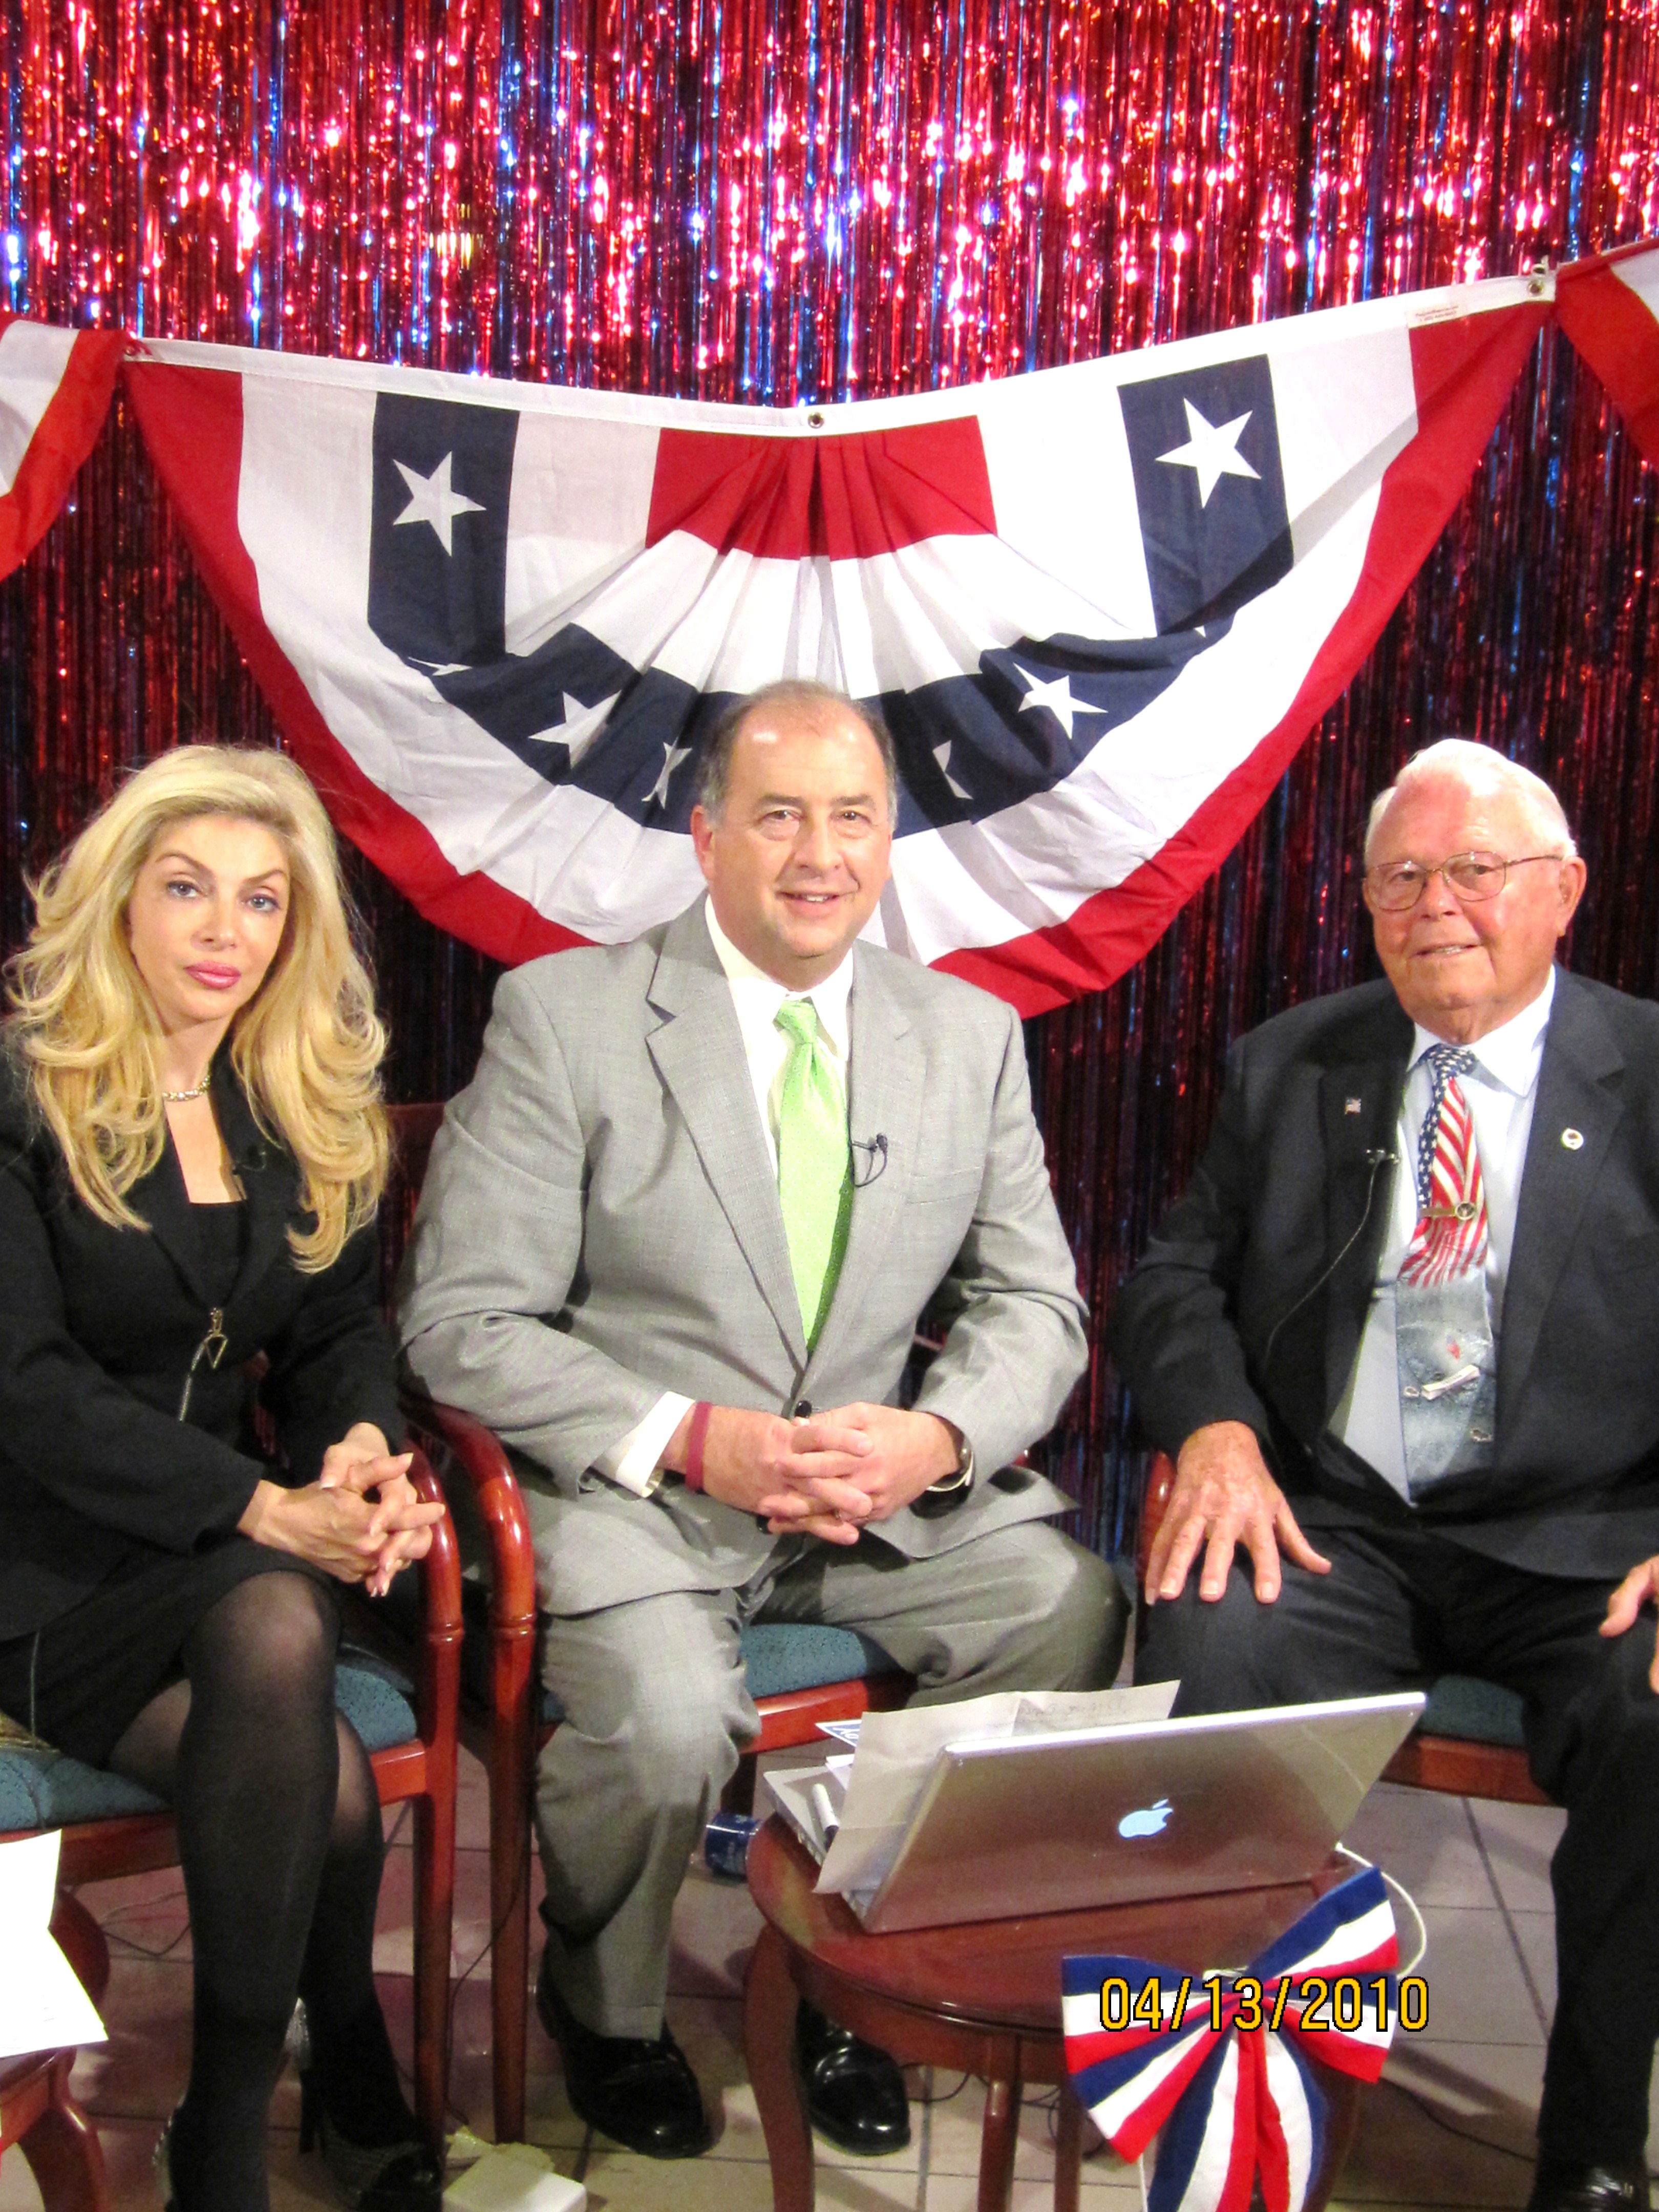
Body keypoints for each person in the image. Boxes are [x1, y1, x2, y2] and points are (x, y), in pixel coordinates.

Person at [399, 678, 1124, 2159]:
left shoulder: (968, 1037)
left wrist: (934, 1441)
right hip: (637, 1498)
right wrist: (687, 1434)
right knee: (669, 1720)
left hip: (871, 1502)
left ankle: (864, 1977)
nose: (820, 852)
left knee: (1064, 1607)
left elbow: (1037, 1311)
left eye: (854, 817)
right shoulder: (567, 1019)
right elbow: (460, 1324)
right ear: (706, 832)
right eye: (779, 813)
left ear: (888, 840)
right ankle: (602, 2009)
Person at [1113, 737, 1659, 2212]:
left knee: (1654, 1713)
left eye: (1475, 872)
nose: (1438, 907)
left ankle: (1596, 2148)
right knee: (1204, 1636)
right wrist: (1218, 1428)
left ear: (1563, 894)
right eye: (1402, 879)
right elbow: (1173, 1276)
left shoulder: (1651, 1073)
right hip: (1338, 1521)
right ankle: (1225, 2101)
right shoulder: (1295, 1061)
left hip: (1585, 1547)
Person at [0, 746, 446, 2212]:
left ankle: (227, 2128)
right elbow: (26, 1387)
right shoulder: (23, 1092)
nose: (222, 931)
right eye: (186, 888)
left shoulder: (288, 1096)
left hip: (221, 1561)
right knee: (287, 1661)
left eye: (260, 902)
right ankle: (301, 2083)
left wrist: (362, 1456)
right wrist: (268, 1507)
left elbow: (335, 1329)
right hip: (39, 1560)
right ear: (120, 898)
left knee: (285, 1672)